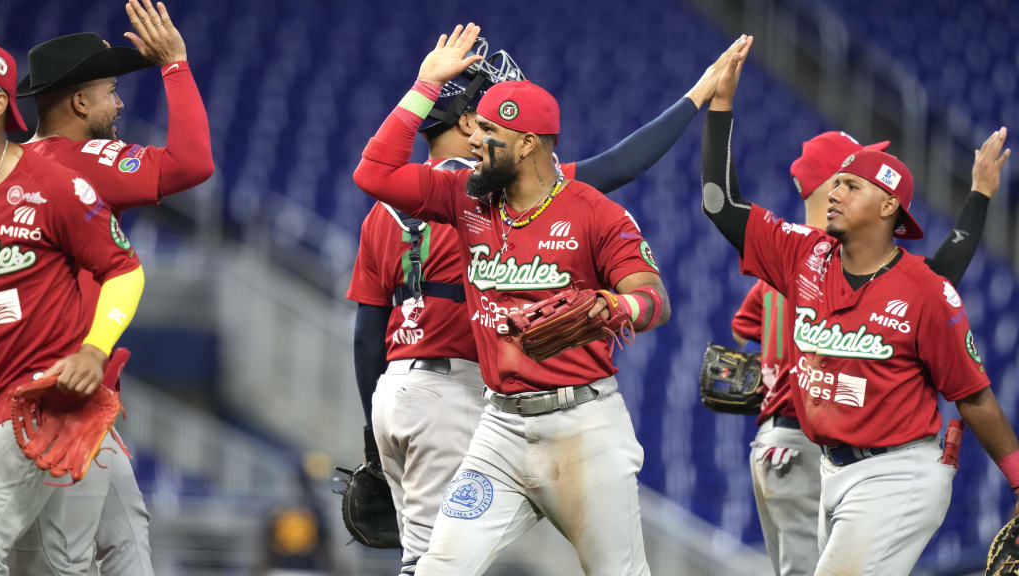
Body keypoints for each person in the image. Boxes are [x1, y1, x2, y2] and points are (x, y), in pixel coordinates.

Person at [348, 35, 738, 576]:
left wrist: (614, 308)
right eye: (476, 127)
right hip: (498, 429)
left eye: (490, 132)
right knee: (437, 568)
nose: (476, 141)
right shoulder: (466, 201)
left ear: (529, 144)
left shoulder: (594, 212)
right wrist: (425, 85)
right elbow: (372, 173)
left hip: (582, 427)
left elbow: (653, 297)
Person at [702, 36, 1019, 575]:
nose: (836, 192)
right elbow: (718, 203)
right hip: (830, 470)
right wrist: (721, 107)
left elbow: (975, 398)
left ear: (889, 204)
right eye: (837, 181)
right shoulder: (803, 257)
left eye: (851, 184)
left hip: (899, 474)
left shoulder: (923, 290)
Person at [9, 1, 213, 574]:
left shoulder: (22, 167)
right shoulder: (73, 161)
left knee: (126, 540)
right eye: (109, 92)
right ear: (78, 102)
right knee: (65, 562)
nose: (119, 103)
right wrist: (175, 65)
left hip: (68, 397)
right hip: (57, 400)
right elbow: (191, 163)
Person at [0, 42, 145, 576]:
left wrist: (93, 349)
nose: (121, 103)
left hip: (36, 408)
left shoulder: (53, 184)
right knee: (71, 562)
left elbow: (125, 270)